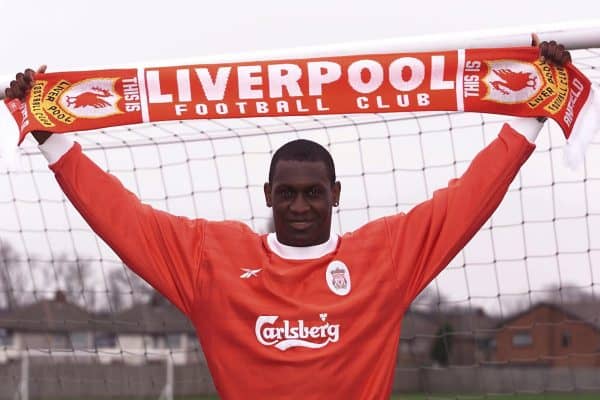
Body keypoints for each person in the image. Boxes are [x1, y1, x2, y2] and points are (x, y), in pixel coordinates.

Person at [5, 41, 572, 399]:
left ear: (336, 195)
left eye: (314, 193)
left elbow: (467, 201)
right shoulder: (212, 262)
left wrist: (532, 112)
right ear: (268, 195)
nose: (300, 207)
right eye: (287, 194)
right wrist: (54, 138)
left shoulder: (386, 258)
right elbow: (122, 218)